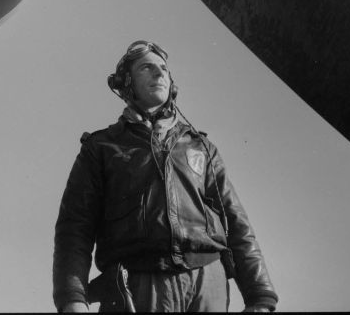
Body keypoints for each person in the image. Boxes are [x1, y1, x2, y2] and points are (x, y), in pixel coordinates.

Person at [53, 41, 278, 313]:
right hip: (137, 284)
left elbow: (237, 223)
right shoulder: (101, 148)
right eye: (147, 68)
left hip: (208, 282)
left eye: (163, 69)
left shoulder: (201, 148)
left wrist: (261, 297)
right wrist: (72, 298)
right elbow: (74, 229)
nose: (159, 74)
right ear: (126, 83)